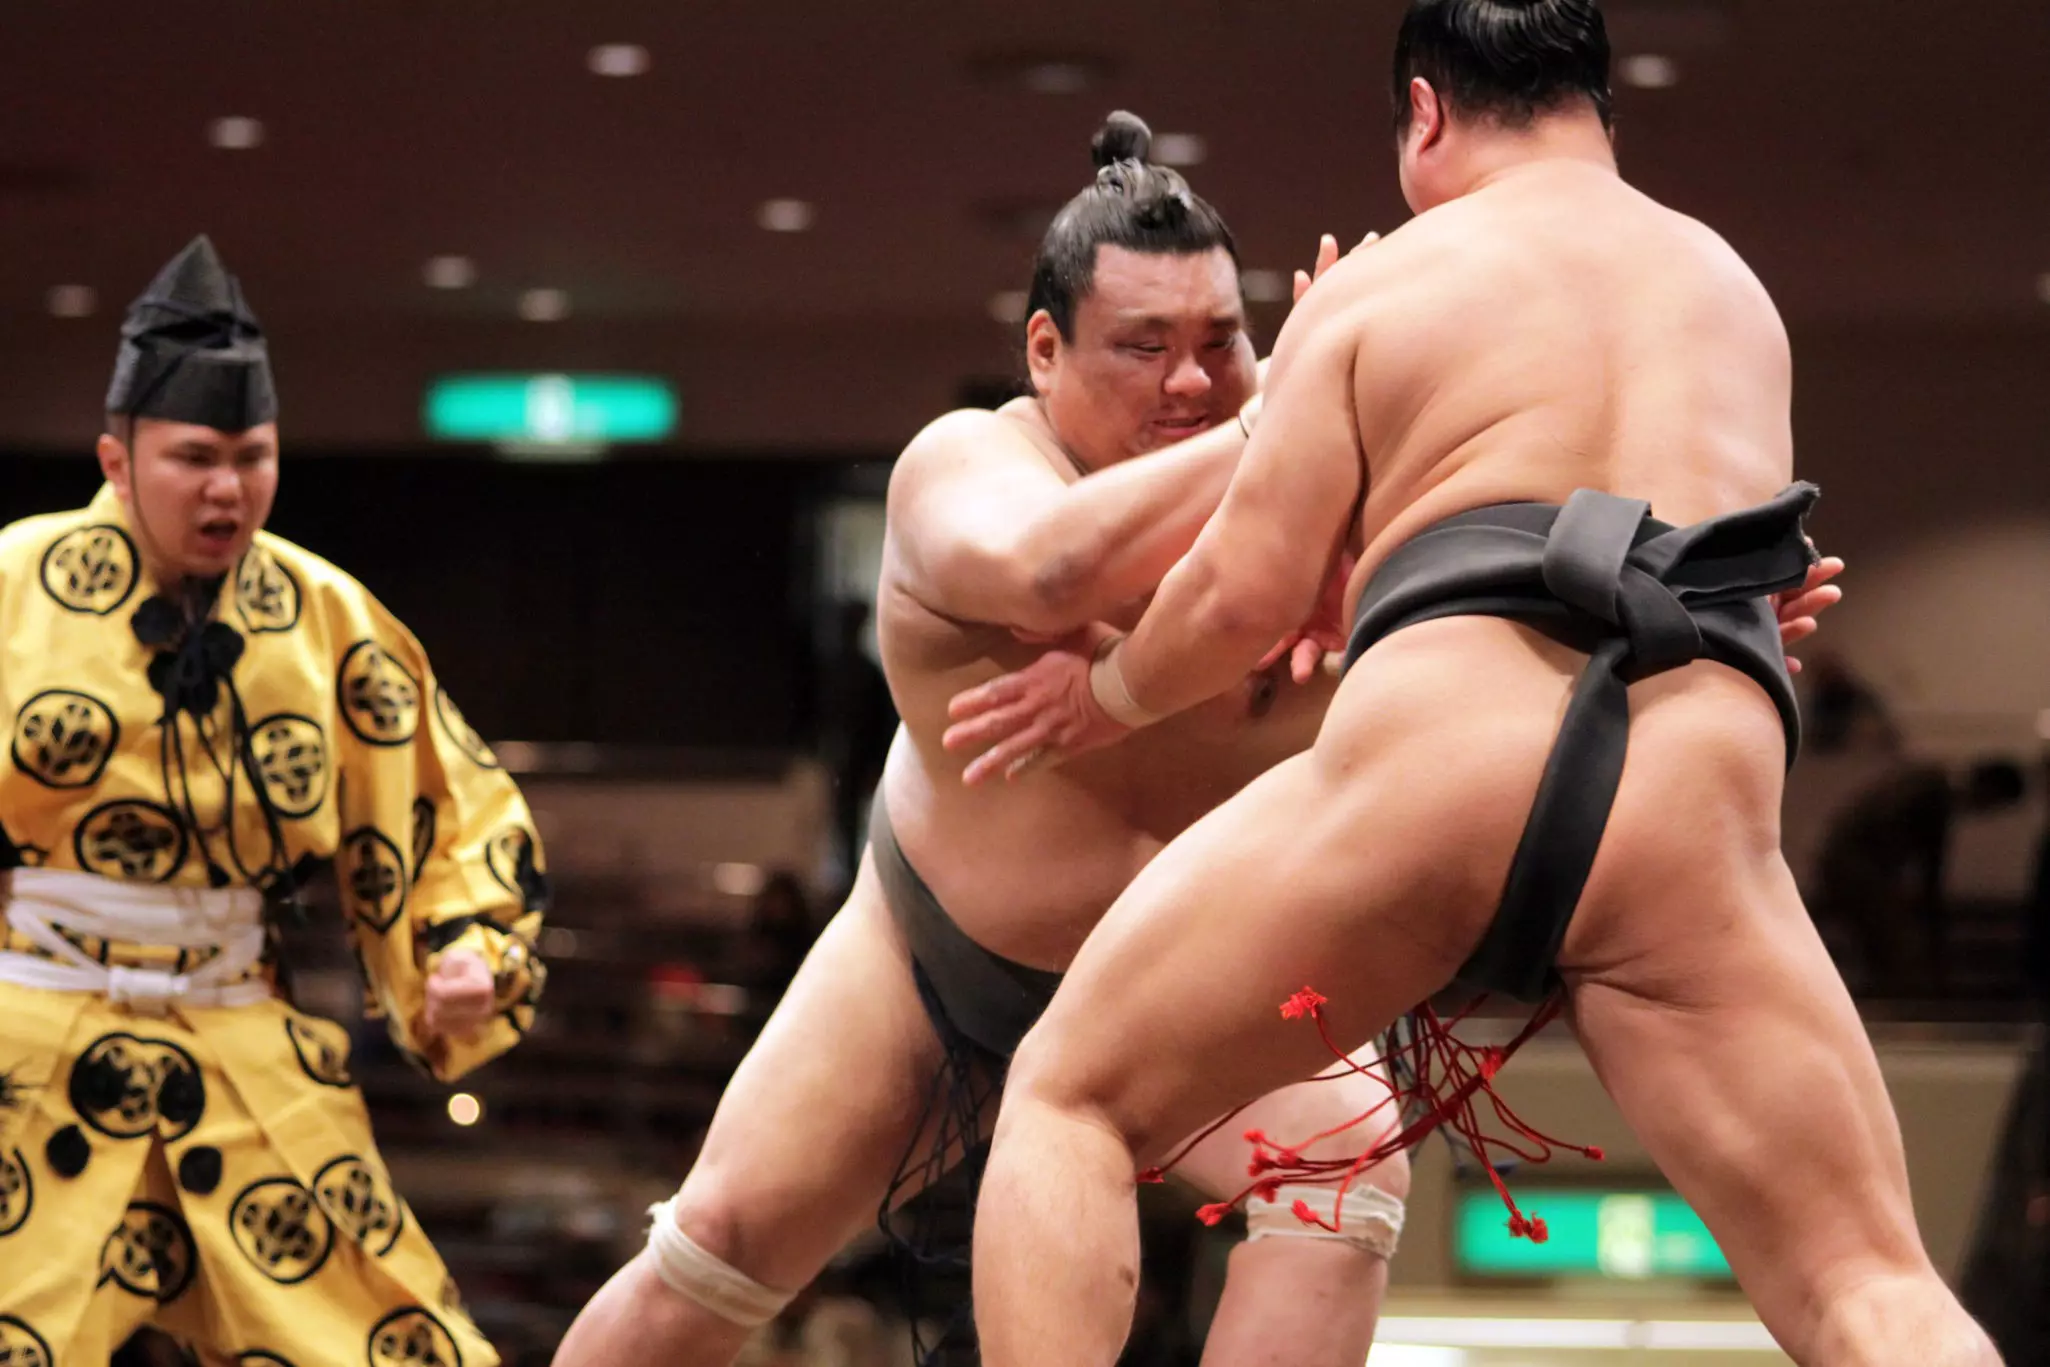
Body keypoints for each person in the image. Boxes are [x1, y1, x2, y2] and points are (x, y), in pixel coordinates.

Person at [940, 4, 1982, 1363]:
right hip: (1687, 804)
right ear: (1598, 105)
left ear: (1424, 114)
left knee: (1069, 1095)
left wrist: (1115, 693)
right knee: (1864, 1277)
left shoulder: (1390, 278)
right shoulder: (1732, 289)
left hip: (1438, 772)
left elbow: (1238, 594)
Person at [552, 114, 1422, 1367]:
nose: (1190, 380)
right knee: (718, 1243)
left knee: (1343, 1160)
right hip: (935, 951)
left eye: (1221, 344)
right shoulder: (966, 462)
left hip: (1187, 967)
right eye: (1144, 346)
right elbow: (1044, 568)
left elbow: (1501, 556)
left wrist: (1669, 601)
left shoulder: (1323, 495)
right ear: (1045, 350)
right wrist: (1279, 415)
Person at [0, 236, 550, 1366]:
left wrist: (467, 951)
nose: (227, 487)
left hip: (242, 1038)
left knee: (404, 1349)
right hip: (26, 1034)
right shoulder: (13, 587)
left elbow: (440, 801)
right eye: (194, 456)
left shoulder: (326, 615)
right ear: (115, 457)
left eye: (252, 456)